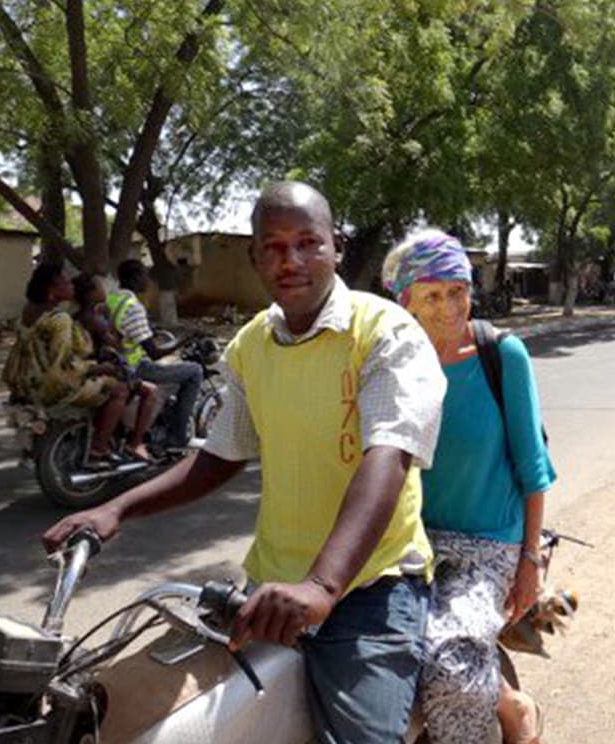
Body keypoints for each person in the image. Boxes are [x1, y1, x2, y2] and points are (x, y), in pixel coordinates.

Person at [43, 181, 447, 744]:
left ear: (337, 246)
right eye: (275, 247)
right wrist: (116, 509)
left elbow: (387, 457)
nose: (292, 260)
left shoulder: (385, 333)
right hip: (268, 590)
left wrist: (322, 587)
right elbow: (218, 457)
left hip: (368, 592)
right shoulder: (254, 344)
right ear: (256, 256)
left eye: (308, 243)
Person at [382, 230, 556, 744]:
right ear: (406, 301)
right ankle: (504, 698)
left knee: (450, 664)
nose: (449, 306)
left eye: (457, 290)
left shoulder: (501, 354)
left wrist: (529, 561)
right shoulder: (391, 364)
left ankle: (515, 717)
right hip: (410, 544)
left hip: (489, 547)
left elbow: (533, 466)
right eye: (431, 295)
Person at [2, 263, 130, 464]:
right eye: (66, 282)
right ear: (52, 290)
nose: (71, 286)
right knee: (120, 389)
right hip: (51, 387)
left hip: (25, 384)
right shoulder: (60, 319)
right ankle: (99, 448)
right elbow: (64, 367)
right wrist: (101, 368)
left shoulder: (27, 312)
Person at [106, 259, 202, 451]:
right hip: (135, 367)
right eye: (144, 276)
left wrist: (150, 329)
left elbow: (123, 328)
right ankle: (178, 436)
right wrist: (186, 339)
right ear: (134, 279)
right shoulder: (134, 306)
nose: (148, 281)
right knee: (194, 372)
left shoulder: (113, 299)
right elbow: (154, 353)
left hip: (115, 361)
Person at [72, 273, 158, 462]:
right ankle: (133, 443)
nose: (105, 289)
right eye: (100, 286)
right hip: (100, 370)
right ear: (91, 293)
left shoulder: (80, 315)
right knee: (149, 391)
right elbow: (117, 345)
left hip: (92, 367)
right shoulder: (94, 319)